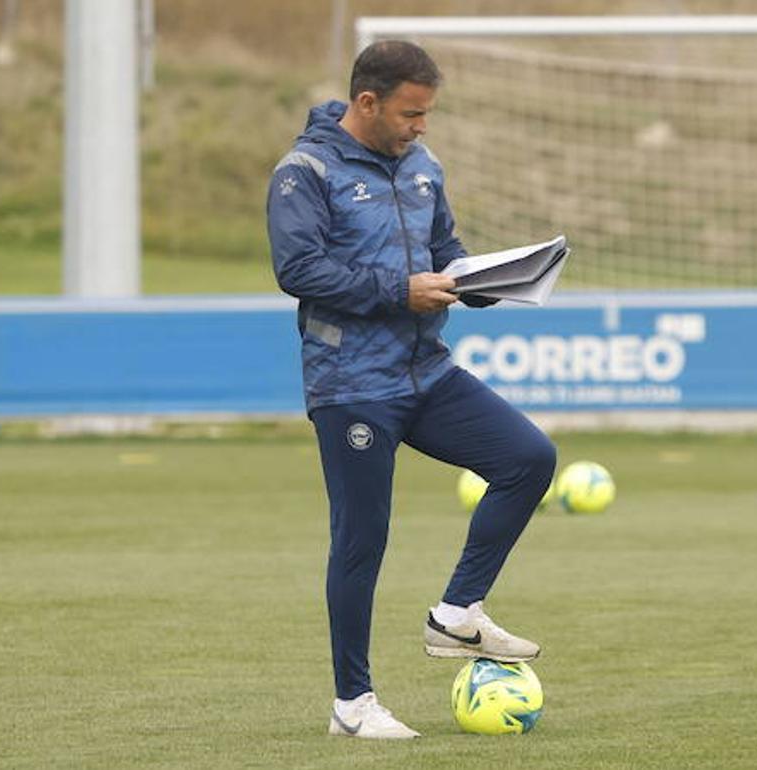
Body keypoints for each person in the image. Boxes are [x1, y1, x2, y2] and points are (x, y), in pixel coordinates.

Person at [266, 40, 556, 741]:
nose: (422, 126)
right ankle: (352, 705)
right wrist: (400, 291)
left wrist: (484, 280)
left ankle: (457, 614)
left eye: (427, 113)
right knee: (362, 540)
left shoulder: (424, 167)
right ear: (367, 103)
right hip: (352, 385)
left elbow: (445, 250)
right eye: (412, 113)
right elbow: (298, 270)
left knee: (529, 459)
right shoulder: (304, 171)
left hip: (427, 373)